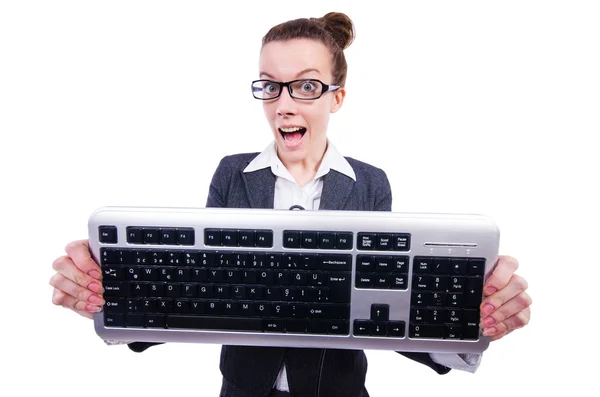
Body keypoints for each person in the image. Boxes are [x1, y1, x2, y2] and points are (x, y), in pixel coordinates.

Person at [49, 11, 532, 397]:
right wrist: (116, 296)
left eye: (305, 86)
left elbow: (387, 302)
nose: (283, 104)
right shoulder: (231, 174)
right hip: (244, 389)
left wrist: (469, 324)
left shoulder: (370, 183)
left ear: (336, 97)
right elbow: (201, 282)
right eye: (269, 84)